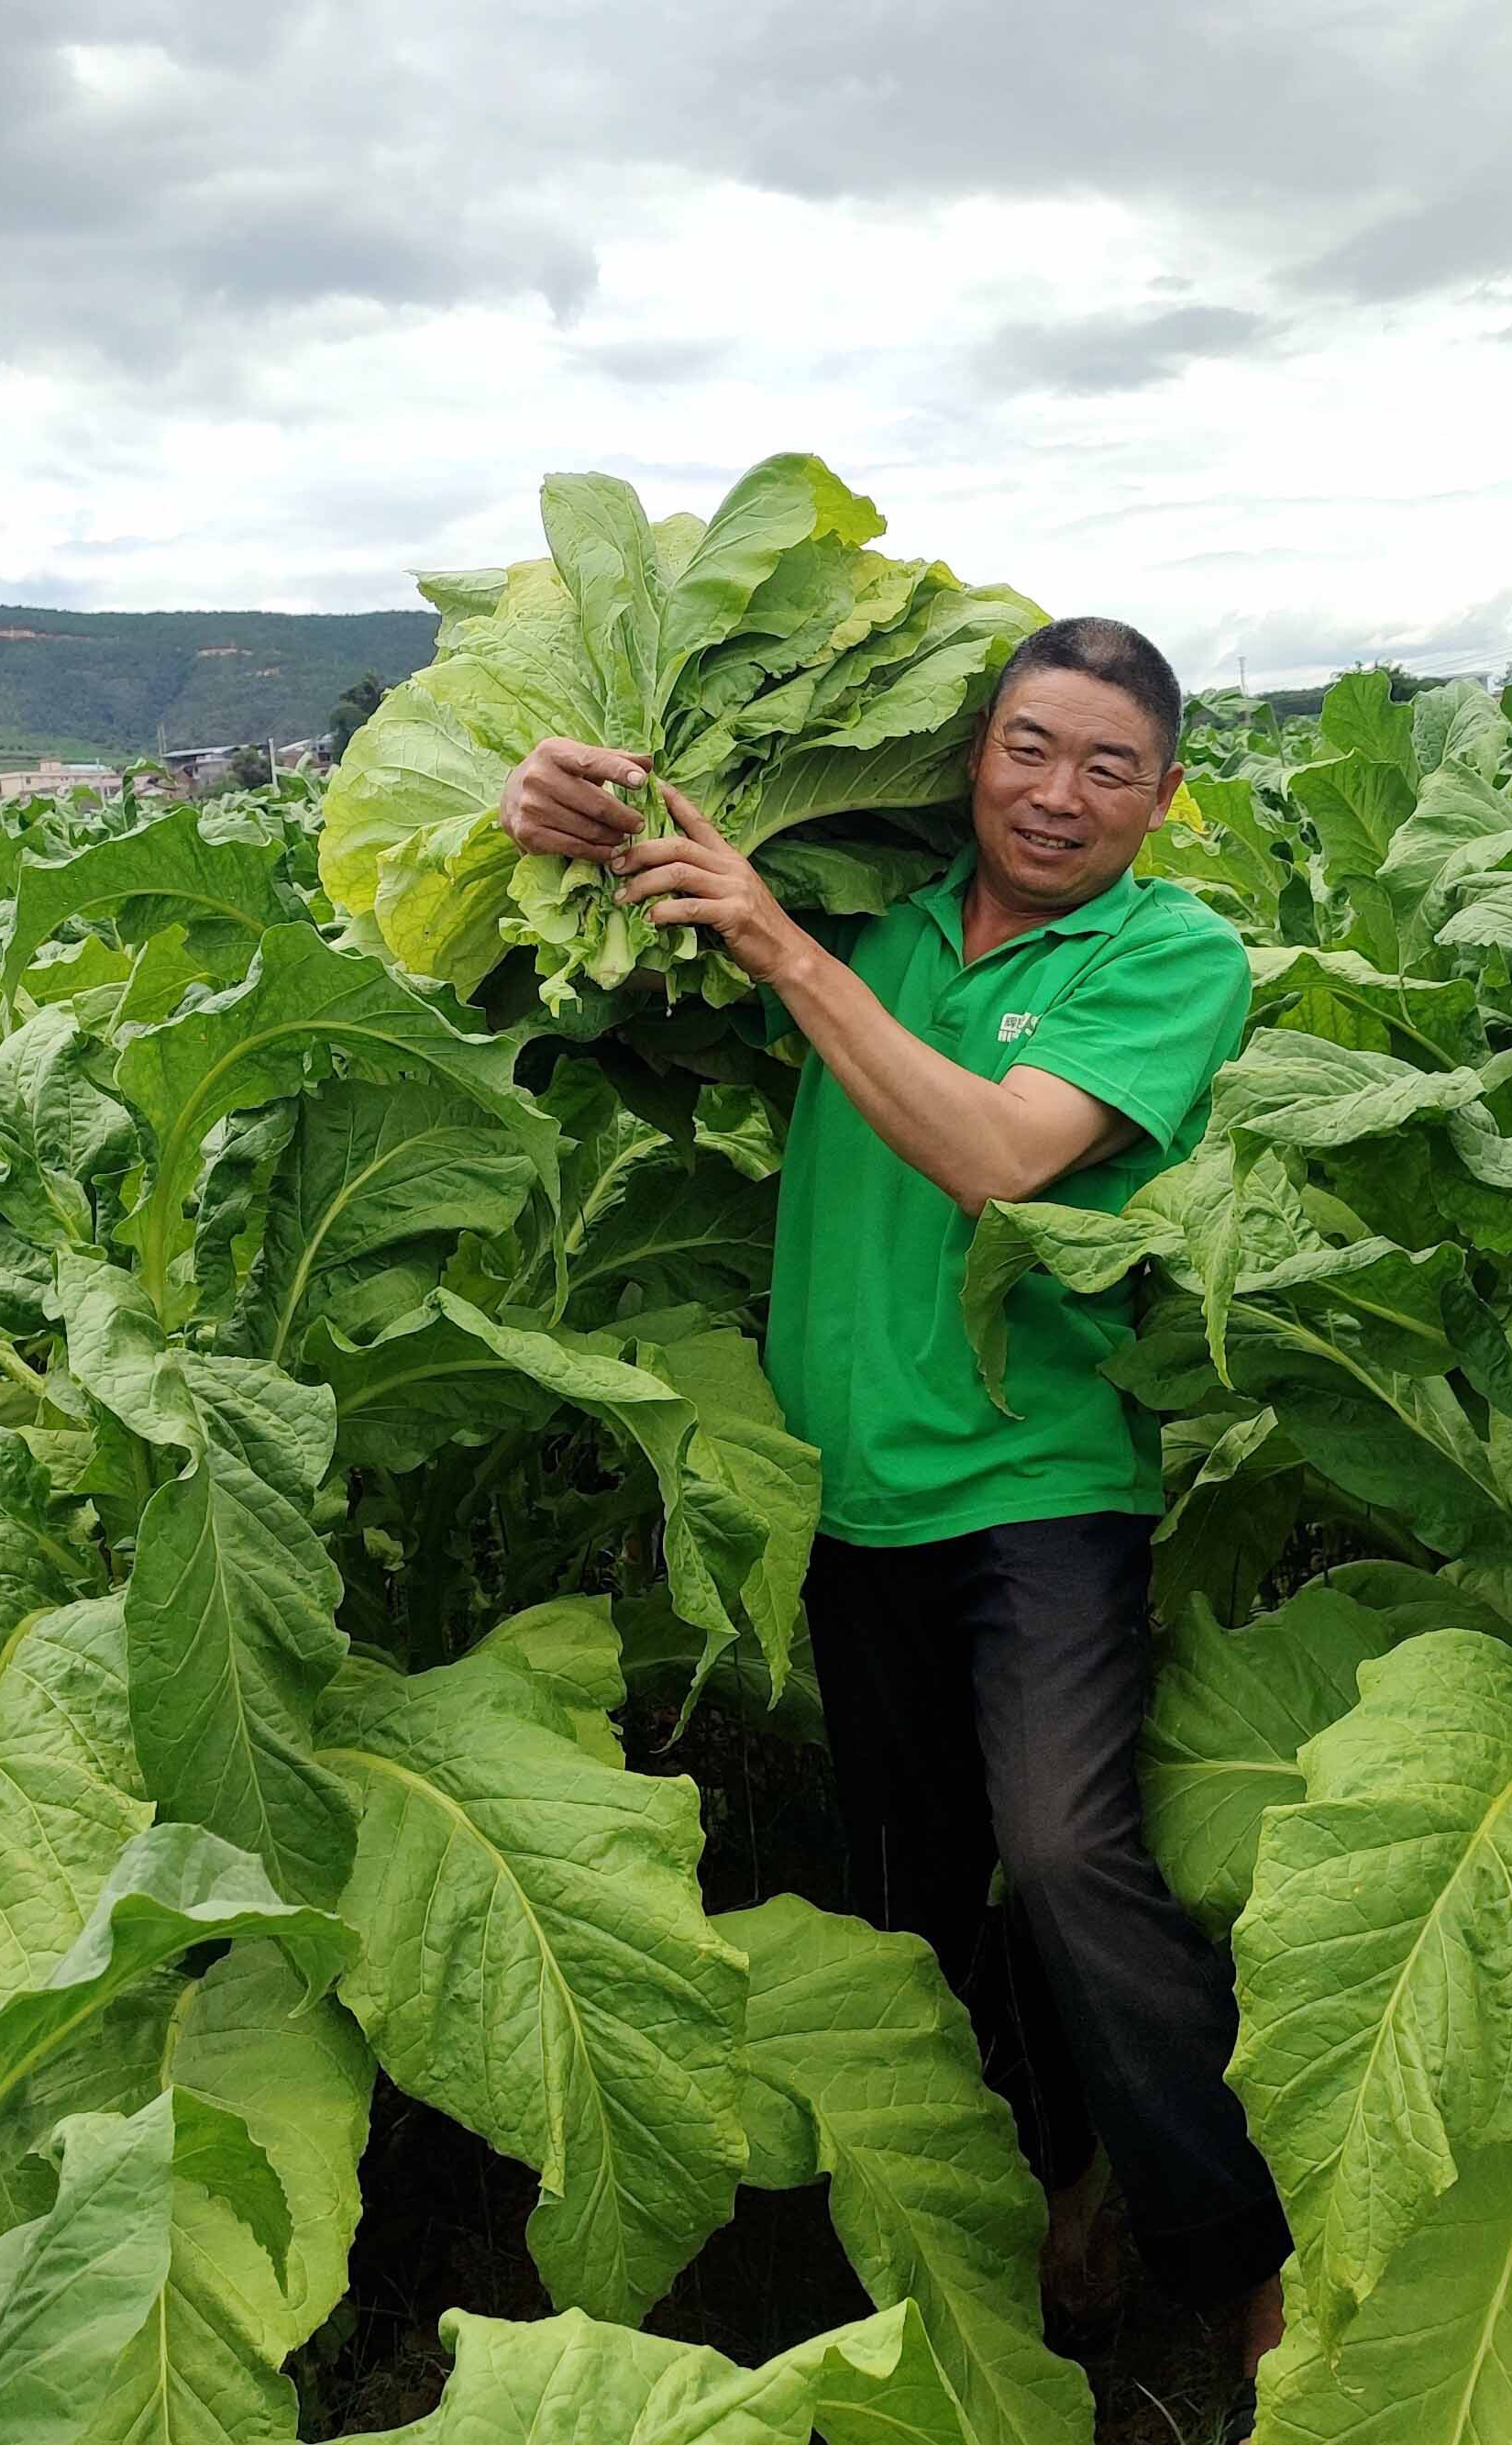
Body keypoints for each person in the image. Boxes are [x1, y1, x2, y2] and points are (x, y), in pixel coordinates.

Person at [498, 617, 1289, 2386]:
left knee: (1074, 1859)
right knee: (915, 1916)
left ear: (1162, 796)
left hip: (1037, 1486)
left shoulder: (1171, 954)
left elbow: (1002, 1149)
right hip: (851, 1499)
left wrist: (781, 945)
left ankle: (1242, 2262)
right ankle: (1029, 2217)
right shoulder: (882, 907)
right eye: (1027, 746)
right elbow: (608, 918)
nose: (1057, 793)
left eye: (1107, 765)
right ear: (971, 755)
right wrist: (549, 813)